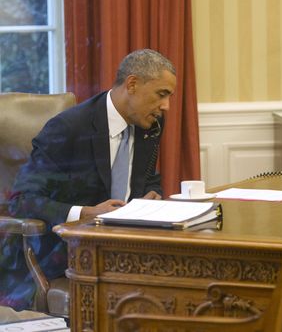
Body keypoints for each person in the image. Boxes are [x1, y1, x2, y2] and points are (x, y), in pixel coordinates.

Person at [0, 48, 176, 310]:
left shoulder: (149, 126)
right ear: (132, 84)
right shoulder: (68, 128)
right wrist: (85, 212)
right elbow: (22, 200)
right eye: (161, 94)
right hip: (68, 249)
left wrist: (151, 195)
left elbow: (148, 178)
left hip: (127, 245)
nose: (166, 106)